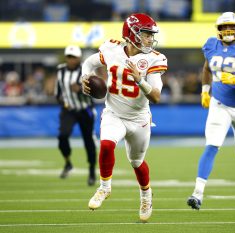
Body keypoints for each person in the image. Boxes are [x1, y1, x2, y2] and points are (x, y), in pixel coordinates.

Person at [81, 13, 167, 222]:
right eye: (145, 34)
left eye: (150, 35)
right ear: (132, 34)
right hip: (114, 114)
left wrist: (140, 80)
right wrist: (85, 78)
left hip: (139, 119)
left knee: (136, 161)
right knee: (107, 145)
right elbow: (89, 63)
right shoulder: (112, 50)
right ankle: (104, 188)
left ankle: (146, 196)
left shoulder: (154, 58)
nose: (149, 39)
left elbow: (156, 96)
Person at [187, 12, 235, 210]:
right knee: (212, 144)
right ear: (218, 29)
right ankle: (197, 194)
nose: (227, 30)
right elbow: (206, 68)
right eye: (223, 27)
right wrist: (205, 90)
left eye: (231, 26)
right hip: (220, 103)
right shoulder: (211, 45)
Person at [55, 45, 97, 186]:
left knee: (88, 141)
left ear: (79, 58)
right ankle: (68, 162)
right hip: (69, 110)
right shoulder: (60, 71)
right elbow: (58, 93)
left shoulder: (86, 70)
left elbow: (96, 91)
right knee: (62, 136)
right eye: (69, 57)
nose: (71, 60)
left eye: (74, 57)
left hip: (85, 109)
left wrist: (80, 90)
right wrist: (63, 102)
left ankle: (91, 171)